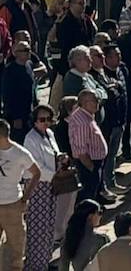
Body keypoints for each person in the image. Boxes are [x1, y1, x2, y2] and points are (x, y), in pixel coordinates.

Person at [23, 104, 63, 271]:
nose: (45, 122)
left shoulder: (50, 134)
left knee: (49, 226)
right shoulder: (30, 139)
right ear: (34, 121)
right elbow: (36, 166)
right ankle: (34, 266)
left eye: (48, 119)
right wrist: (54, 174)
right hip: (37, 186)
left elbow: (55, 154)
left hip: (52, 185)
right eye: (41, 119)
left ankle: (44, 262)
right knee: (38, 229)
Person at [0, 118, 38, 271]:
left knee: (16, 247)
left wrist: (25, 198)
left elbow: (36, 173)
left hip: (12, 205)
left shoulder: (20, 153)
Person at [67, 91, 109, 206]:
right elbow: (81, 150)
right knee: (88, 193)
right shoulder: (82, 122)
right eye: (95, 100)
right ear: (85, 103)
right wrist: (91, 168)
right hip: (89, 164)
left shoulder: (86, 115)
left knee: (93, 192)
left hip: (94, 161)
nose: (98, 103)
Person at [58, 200, 108, 271]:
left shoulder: (69, 239)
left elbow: (63, 268)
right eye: (99, 212)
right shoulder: (101, 240)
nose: (101, 216)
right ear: (90, 216)